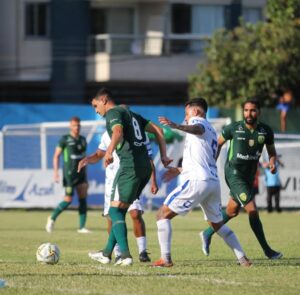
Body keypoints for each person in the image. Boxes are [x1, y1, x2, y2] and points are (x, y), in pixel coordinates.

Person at [153, 98, 251, 267]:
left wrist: (176, 126)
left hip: (199, 180)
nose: (185, 118)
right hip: (212, 182)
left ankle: (165, 259)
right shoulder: (212, 131)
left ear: (196, 112)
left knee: (162, 214)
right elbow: (204, 160)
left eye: (187, 113)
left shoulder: (198, 123)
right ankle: (243, 259)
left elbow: (196, 128)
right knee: (217, 225)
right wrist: (180, 170)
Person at [87, 88, 172, 266]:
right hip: (144, 169)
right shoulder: (133, 115)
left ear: (103, 100)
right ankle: (106, 253)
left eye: (96, 106)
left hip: (129, 167)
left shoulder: (113, 113)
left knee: (114, 211)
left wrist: (109, 152)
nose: (96, 111)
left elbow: (117, 132)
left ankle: (125, 255)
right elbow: (159, 130)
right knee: (121, 210)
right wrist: (163, 156)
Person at [200, 99, 283, 260]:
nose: (249, 114)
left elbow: (272, 153)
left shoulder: (265, 131)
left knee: (232, 211)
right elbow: (217, 145)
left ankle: (207, 233)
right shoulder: (233, 128)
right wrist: (211, 165)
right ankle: (267, 251)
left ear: (259, 112)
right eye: (246, 110)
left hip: (249, 176)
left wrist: (272, 163)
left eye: (252, 110)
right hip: (234, 173)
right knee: (252, 210)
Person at [78, 129, 158, 262]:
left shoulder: (139, 134)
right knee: (111, 217)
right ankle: (118, 254)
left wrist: (153, 180)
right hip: (112, 182)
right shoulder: (107, 134)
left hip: (131, 179)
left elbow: (148, 158)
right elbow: (99, 154)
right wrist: (87, 159)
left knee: (135, 213)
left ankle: (142, 251)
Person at [46, 116, 90, 233]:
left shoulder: (83, 140)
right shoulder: (64, 139)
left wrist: (86, 172)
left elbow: (84, 157)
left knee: (83, 198)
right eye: (75, 125)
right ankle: (52, 218)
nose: (77, 127)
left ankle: (82, 227)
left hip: (81, 174)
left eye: (78, 125)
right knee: (68, 200)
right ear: (70, 126)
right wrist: (56, 172)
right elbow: (56, 156)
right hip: (69, 174)